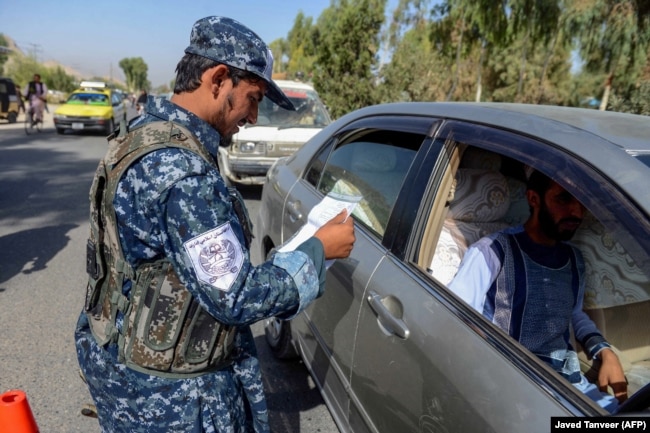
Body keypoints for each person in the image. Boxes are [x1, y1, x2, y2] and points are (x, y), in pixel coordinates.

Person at [74, 15, 356, 433]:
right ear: (219, 78)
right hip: (173, 401)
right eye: (253, 98)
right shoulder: (184, 175)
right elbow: (236, 297)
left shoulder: (143, 133)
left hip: (122, 370)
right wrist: (317, 250)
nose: (254, 116)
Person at [448, 169, 627, 413]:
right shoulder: (490, 253)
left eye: (580, 202)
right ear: (534, 199)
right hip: (514, 389)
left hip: (571, 386)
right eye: (563, 199)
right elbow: (455, 319)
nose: (576, 212)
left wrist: (605, 352)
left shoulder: (574, 259)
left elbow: (573, 314)